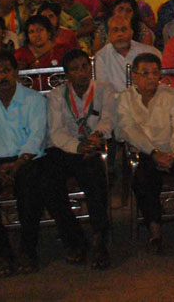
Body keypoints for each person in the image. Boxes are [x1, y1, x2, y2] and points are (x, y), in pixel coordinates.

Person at [0, 51, 47, 277]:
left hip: (26, 159)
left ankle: (27, 249)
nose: (2, 76)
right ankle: (0, 250)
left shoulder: (34, 100)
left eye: (6, 71)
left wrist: (19, 163)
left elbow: (36, 137)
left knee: (31, 187)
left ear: (16, 72)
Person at [43, 49, 115, 270]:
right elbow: (56, 132)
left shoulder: (104, 89)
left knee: (94, 178)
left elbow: (108, 119)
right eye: (75, 69)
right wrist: (77, 146)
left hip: (92, 146)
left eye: (85, 66)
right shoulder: (56, 96)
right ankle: (73, 238)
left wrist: (96, 136)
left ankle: (100, 238)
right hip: (65, 149)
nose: (82, 72)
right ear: (67, 75)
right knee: (49, 182)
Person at [116, 53, 174, 253]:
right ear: (134, 76)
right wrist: (154, 153)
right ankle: (155, 232)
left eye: (155, 72)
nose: (151, 77)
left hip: (173, 151)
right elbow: (128, 130)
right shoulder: (125, 99)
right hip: (145, 152)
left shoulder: (171, 96)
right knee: (143, 177)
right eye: (145, 73)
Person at [93, 15, 159, 94]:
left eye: (123, 29)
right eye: (115, 30)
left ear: (131, 33)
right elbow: (103, 90)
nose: (120, 34)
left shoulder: (149, 52)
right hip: (114, 100)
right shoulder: (101, 57)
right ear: (108, 35)